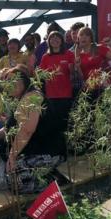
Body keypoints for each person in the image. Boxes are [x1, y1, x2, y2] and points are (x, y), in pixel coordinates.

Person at [4, 70, 65, 194]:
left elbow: (27, 130)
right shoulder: (20, 99)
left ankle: (55, 181)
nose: (9, 84)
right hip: (31, 150)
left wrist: (12, 155)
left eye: (13, 80)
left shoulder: (33, 97)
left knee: (16, 181)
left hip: (47, 151)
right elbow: (12, 127)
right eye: (6, 81)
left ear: (24, 81)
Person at [39, 31, 75, 160]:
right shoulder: (45, 57)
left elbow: (74, 72)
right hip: (51, 96)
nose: (55, 39)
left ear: (61, 40)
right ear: (48, 41)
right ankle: (57, 152)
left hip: (65, 95)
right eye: (52, 38)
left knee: (65, 124)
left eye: (57, 37)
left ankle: (66, 152)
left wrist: (73, 69)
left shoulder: (69, 54)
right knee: (54, 124)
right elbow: (40, 75)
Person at [75, 27, 111, 97]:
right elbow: (81, 76)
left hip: (105, 87)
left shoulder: (99, 48)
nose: (84, 37)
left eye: (87, 35)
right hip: (90, 89)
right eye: (81, 35)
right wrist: (78, 67)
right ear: (78, 38)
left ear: (91, 38)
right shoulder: (78, 54)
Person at [68, 22, 86, 97]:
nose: (76, 35)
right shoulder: (68, 52)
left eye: (78, 32)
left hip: (94, 86)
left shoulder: (94, 48)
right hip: (75, 89)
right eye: (73, 33)